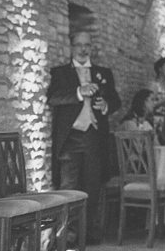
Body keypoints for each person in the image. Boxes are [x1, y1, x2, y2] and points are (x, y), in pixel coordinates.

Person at [47, 30, 122, 244]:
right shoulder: (60, 73)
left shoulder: (103, 72)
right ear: (71, 47)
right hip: (70, 140)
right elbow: (52, 98)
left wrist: (106, 105)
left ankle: (89, 236)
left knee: (93, 188)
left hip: (95, 139)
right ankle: (67, 239)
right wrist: (79, 92)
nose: (83, 49)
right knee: (68, 189)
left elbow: (116, 100)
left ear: (91, 47)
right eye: (79, 45)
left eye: (87, 45)